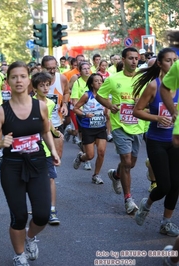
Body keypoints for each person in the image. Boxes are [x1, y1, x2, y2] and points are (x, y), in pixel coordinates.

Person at [0, 61, 60, 266]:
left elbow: (45, 131)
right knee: (18, 215)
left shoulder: (40, 106)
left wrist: (52, 150)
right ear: (8, 81)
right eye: (14, 77)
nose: (18, 80)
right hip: (12, 166)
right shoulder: (2, 111)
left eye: (22, 76)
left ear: (29, 80)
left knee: (42, 214)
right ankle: (19, 255)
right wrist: (1, 142)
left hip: (37, 163)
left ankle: (30, 236)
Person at [132, 47, 179, 237]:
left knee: (176, 184)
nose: (173, 63)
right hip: (156, 140)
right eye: (168, 60)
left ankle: (166, 223)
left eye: (175, 60)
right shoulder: (154, 85)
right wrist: (158, 118)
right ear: (160, 63)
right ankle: (147, 203)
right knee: (165, 185)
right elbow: (137, 111)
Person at [96, 47, 144, 214]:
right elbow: (99, 95)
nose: (134, 61)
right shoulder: (113, 79)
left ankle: (116, 175)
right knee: (126, 160)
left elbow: (151, 97)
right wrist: (110, 105)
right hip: (119, 125)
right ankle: (128, 199)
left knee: (131, 163)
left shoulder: (142, 78)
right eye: (130, 58)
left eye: (136, 58)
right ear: (122, 60)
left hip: (138, 125)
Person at [32, 71, 62, 226]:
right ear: (35, 88)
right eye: (41, 85)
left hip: (45, 147)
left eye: (47, 85)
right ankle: (37, 206)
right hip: (31, 147)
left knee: (51, 177)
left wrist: (54, 131)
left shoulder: (50, 103)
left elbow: (48, 122)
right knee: (33, 179)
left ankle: (51, 210)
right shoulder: (29, 102)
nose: (45, 88)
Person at [72, 73, 107, 184]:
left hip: (101, 127)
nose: (99, 82)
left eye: (101, 80)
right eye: (96, 81)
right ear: (92, 84)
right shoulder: (87, 95)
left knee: (101, 152)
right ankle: (81, 157)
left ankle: (96, 175)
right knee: (90, 155)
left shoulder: (105, 95)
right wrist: (85, 114)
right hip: (88, 127)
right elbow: (75, 108)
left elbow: (109, 107)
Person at [70, 61, 93, 170]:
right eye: (84, 68)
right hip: (83, 114)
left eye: (88, 68)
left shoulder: (94, 81)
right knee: (85, 138)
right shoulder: (77, 83)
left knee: (95, 140)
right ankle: (87, 159)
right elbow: (74, 101)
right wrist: (82, 112)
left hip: (95, 114)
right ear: (80, 71)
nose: (87, 70)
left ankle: (84, 154)